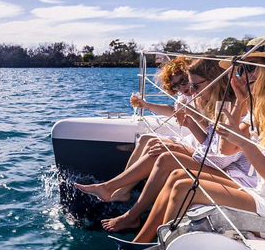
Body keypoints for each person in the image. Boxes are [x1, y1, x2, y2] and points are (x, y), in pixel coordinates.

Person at [104, 38, 265, 250]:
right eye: (242, 69)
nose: (244, 75)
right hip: (260, 192)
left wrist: (246, 144)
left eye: (251, 67)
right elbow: (226, 149)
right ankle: (139, 245)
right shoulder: (262, 108)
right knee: (179, 177)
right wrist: (239, 101)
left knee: (184, 187)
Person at [77, 58, 254, 231]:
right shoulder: (204, 98)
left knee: (163, 154)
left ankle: (122, 200)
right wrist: (185, 119)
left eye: (188, 82)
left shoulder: (224, 105)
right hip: (210, 152)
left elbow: (218, 151)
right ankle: (121, 189)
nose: (187, 89)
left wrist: (193, 121)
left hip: (218, 161)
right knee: (150, 141)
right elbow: (211, 140)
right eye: (178, 86)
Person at [74, 56, 202, 203]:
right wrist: (145, 105)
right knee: (145, 138)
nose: (181, 87)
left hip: (198, 143)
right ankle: (122, 191)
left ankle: (112, 189)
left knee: (155, 149)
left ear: (192, 76)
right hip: (191, 139)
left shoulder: (202, 94)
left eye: (183, 81)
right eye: (176, 86)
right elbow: (175, 110)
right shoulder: (187, 96)